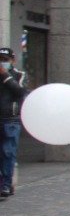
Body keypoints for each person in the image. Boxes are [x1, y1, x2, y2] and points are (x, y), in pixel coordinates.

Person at [0, 47, 26, 199]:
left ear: (12, 61)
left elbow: (21, 92)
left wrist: (5, 76)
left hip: (11, 119)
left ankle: (6, 184)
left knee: (8, 152)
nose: (2, 63)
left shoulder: (19, 75)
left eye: (5, 60)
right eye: (0, 60)